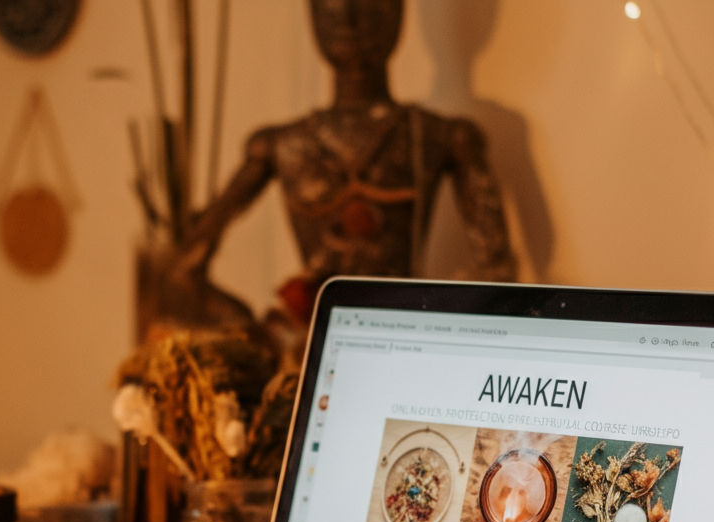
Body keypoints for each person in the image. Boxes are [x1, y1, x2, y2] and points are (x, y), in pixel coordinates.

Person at [178, 0, 517, 328]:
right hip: (312, 346)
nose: (349, 16)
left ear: (398, 10)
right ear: (312, 12)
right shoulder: (280, 144)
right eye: (331, 5)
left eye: (369, 4)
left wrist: (435, 329)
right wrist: (251, 332)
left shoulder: (438, 136)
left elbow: (497, 268)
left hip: (400, 337)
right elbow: (185, 268)